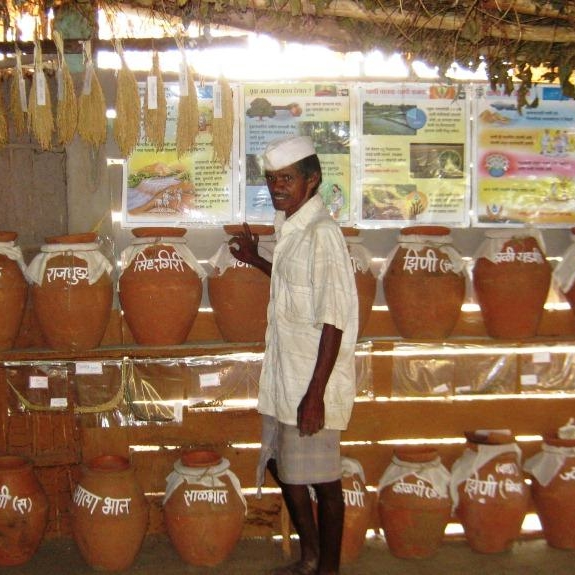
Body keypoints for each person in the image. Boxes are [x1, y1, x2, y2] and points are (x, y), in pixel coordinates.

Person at [229, 135, 358, 575]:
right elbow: (292, 285)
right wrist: (255, 259)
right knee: (288, 470)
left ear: (313, 179)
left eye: (286, 178)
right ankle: (309, 556)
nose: (277, 186)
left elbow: (334, 318)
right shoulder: (292, 228)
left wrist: (316, 394)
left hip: (310, 380)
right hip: (286, 376)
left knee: (323, 480)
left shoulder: (323, 235)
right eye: (271, 179)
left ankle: (328, 568)